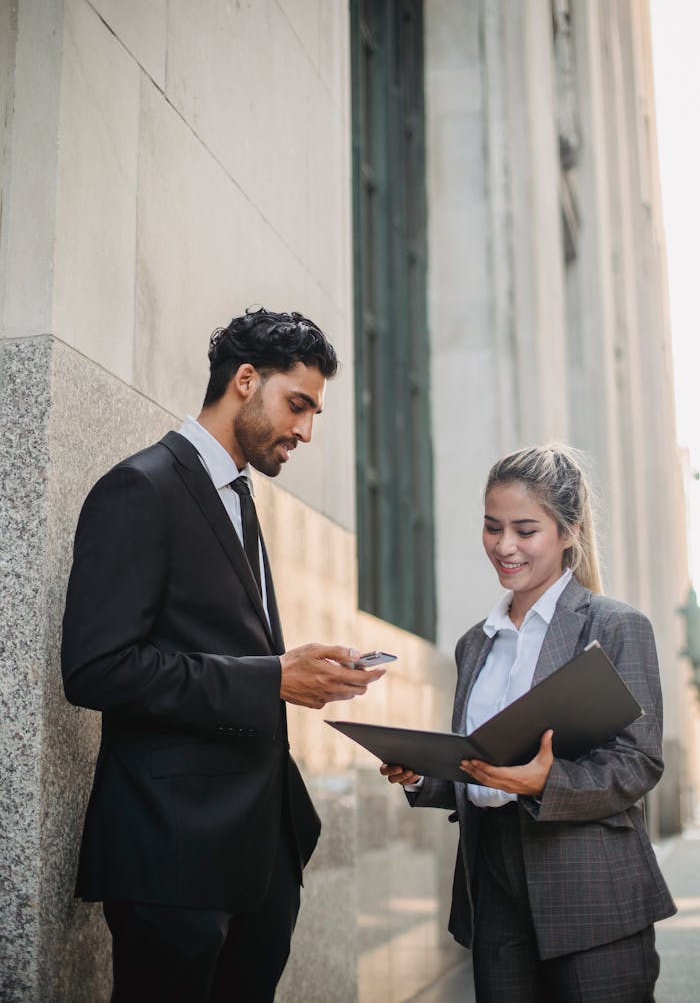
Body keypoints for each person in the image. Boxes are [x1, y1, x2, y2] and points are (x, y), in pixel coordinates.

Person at [61, 308, 385, 1003]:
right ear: (244, 380)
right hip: (171, 856)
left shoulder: (238, 496)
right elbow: (96, 667)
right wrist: (272, 677)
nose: (305, 430)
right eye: (297, 405)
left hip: (258, 852)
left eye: (314, 413)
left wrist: (301, 675)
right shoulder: (140, 488)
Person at [381, 445, 675, 1003]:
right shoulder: (476, 643)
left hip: (590, 891)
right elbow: (480, 765)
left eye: (525, 529)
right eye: (493, 528)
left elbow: (639, 762)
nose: (504, 546)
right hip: (493, 888)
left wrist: (545, 782)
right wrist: (423, 775)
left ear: (568, 532)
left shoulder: (615, 627)